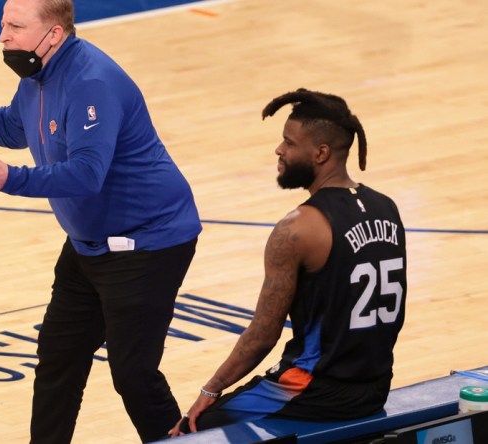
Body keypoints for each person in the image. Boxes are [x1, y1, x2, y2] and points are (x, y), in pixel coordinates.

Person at [0, 0, 201, 442]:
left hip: (148, 244)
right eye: (2, 24)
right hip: (88, 244)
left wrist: (8, 178)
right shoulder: (37, 75)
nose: (3, 36)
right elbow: (16, 128)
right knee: (58, 359)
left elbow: (87, 174)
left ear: (53, 34)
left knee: (134, 375)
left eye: (15, 26)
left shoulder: (91, 81)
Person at [170, 89, 407, 437]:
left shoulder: (297, 229)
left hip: (314, 391)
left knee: (193, 431)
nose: (279, 150)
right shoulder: (387, 208)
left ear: (321, 153)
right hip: (374, 387)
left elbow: (263, 336)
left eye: (289, 142)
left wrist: (210, 390)